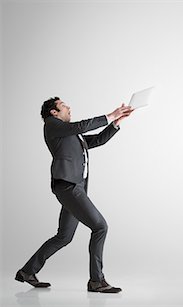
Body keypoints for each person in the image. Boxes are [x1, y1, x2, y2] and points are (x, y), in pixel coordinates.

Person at [15, 97, 133, 293]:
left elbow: (96, 140)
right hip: (69, 187)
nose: (69, 107)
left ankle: (27, 271)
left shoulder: (70, 135)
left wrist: (115, 123)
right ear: (53, 112)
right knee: (100, 226)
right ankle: (96, 280)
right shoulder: (52, 126)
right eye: (63, 106)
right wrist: (110, 114)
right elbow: (81, 126)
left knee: (64, 237)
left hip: (74, 187)